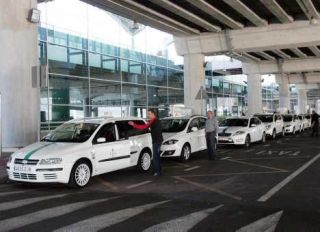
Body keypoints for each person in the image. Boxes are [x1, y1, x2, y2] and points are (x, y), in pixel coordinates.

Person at [129, 109, 163, 176]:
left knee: (155, 157)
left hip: (157, 141)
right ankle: (157, 170)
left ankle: (157, 172)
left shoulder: (154, 121)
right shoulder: (156, 120)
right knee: (157, 156)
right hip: (158, 140)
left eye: (149, 114)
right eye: (148, 114)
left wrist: (134, 124)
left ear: (153, 114)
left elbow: (144, 127)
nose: (148, 115)